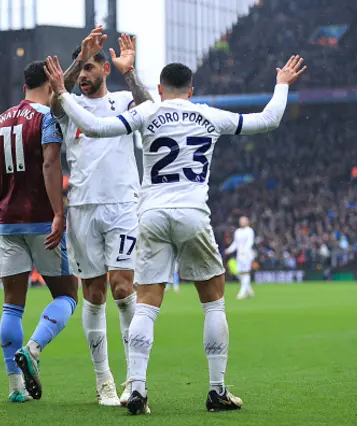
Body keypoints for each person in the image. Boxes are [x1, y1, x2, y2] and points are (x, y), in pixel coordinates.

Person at [44, 54, 307, 414]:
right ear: (191, 90)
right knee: (213, 301)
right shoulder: (208, 114)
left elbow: (95, 127)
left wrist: (62, 92)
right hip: (193, 213)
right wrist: (281, 84)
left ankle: (136, 389)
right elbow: (268, 119)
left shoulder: (149, 112)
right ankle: (217, 391)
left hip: (150, 214)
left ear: (160, 89)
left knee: (147, 303)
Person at [49, 25, 153, 406]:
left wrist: (130, 71)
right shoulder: (68, 107)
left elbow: (150, 109)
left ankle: (134, 380)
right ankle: (103, 380)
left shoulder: (125, 100)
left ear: (105, 70)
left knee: (123, 288)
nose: (86, 77)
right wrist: (78, 59)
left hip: (124, 205)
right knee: (92, 294)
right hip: (81, 208)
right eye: (83, 71)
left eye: (93, 68)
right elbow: (58, 99)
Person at [0, 61, 78, 403]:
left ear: (23, 87)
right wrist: (59, 212)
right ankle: (33, 348)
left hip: (8, 225)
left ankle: (15, 388)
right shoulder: (47, 117)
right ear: (50, 86)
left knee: (11, 306)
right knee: (66, 296)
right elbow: (50, 163)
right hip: (42, 221)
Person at [225, 216, 255, 299]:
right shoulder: (237, 231)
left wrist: (245, 250)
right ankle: (249, 290)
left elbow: (250, 241)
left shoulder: (249, 231)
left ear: (247, 222)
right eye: (241, 221)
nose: (242, 222)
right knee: (239, 273)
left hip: (246, 254)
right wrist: (229, 250)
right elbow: (235, 243)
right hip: (239, 255)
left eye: (244, 221)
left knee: (245, 273)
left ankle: (242, 293)